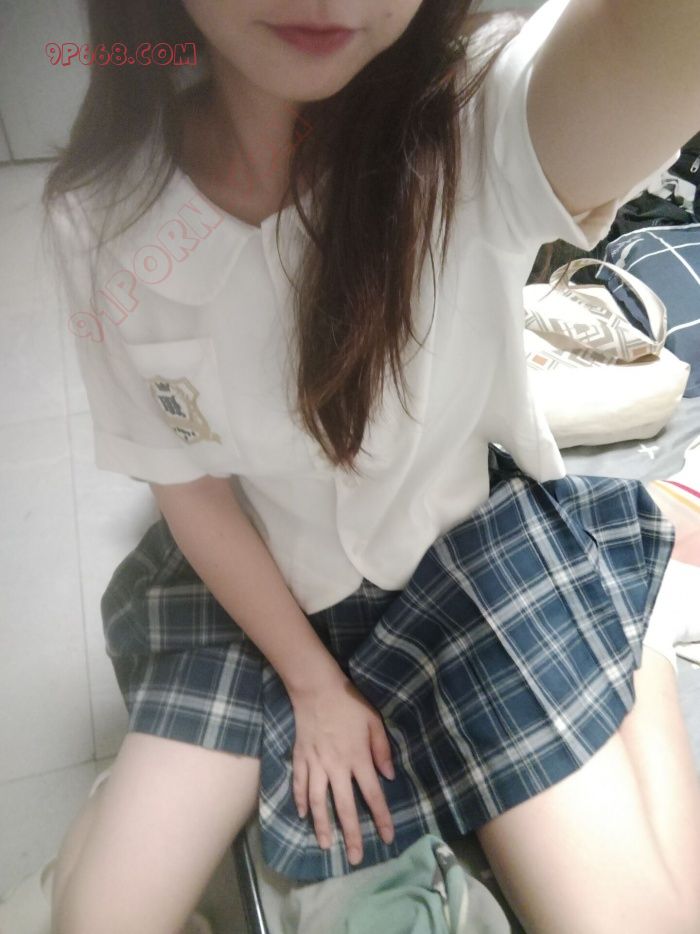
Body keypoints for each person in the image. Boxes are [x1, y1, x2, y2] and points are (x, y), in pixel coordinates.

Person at [37, 0, 700, 931]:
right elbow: (189, 488)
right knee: (98, 918)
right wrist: (313, 687)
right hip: (257, 592)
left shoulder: (476, 114)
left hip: (463, 568)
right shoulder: (105, 215)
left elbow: (645, 48)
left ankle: (638, 652)